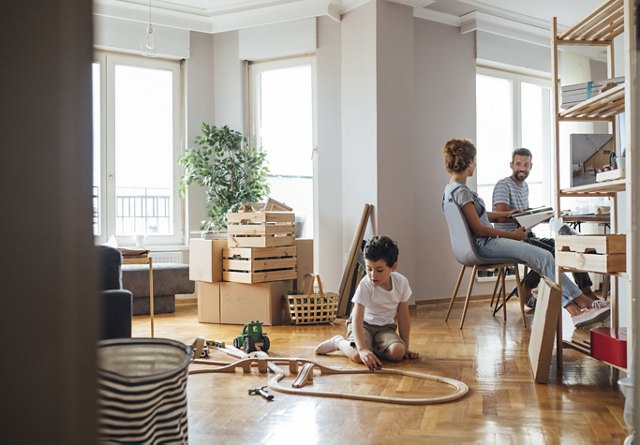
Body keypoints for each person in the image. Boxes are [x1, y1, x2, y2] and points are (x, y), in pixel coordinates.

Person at [442, 138, 609, 328]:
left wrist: (508, 214)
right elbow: (479, 229)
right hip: (484, 245)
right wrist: (513, 235)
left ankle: (575, 310)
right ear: (470, 162)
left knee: (543, 257)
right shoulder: (462, 191)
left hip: (481, 245)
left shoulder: (451, 190)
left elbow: (479, 216)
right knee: (545, 257)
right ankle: (583, 301)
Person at [492, 147, 594, 309]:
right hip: (510, 238)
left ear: (531, 166)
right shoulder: (503, 185)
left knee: (564, 246)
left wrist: (542, 215)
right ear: (511, 165)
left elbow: (523, 214)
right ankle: (526, 288)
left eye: (526, 165)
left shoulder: (524, 187)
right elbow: (501, 214)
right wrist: (527, 215)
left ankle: (585, 288)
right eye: (518, 164)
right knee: (550, 253)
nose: (522, 168)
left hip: (527, 235)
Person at [314, 235, 419, 370]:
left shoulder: (402, 283)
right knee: (359, 355)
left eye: (379, 270)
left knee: (398, 352)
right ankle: (338, 342)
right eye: (369, 269)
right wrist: (363, 348)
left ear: (393, 267)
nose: (373, 275)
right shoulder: (365, 285)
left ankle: (374, 347)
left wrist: (405, 347)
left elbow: (404, 318)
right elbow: (357, 319)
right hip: (362, 325)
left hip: (385, 328)